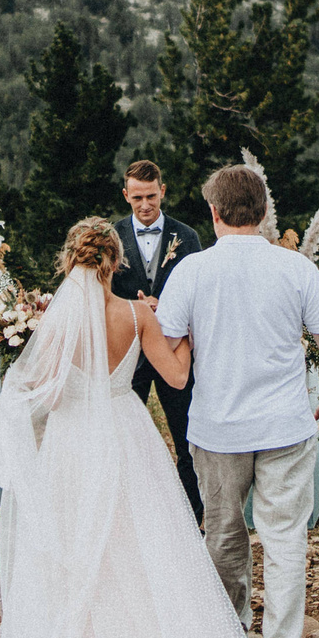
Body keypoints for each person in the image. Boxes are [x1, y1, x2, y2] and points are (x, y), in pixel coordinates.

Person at [0, 217, 284, 638]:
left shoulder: (55, 322)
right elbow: (179, 378)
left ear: (70, 263)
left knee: (74, 548)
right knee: (144, 545)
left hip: (71, 442)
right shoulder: (139, 314)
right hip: (126, 433)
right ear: (115, 262)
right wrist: (181, 335)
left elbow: (34, 394)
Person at [144, 164, 319, 638]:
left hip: (216, 429)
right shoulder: (296, 269)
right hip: (284, 427)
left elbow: (167, 343)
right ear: (262, 213)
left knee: (224, 537)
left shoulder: (191, 270)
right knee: (285, 541)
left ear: (213, 213)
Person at [113, 160, 205, 521]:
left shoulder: (189, 237)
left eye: (151, 196)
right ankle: (126, 515)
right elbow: (102, 294)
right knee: (122, 439)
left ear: (163, 191)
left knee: (186, 439)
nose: (145, 204)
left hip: (174, 352)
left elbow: (198, 292)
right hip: (128, 354)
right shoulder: (112, 236)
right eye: (137, 198)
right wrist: (134, 308)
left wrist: (164, 308)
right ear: (126, 196)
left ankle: (192, 519)